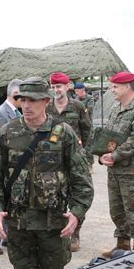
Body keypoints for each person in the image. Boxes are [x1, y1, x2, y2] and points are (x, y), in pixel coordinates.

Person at [0, 77, 94, 269]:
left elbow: (82, 179)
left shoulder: (63, 134)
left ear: (46, 101)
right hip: (19, 225)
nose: (26, 105)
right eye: (22, 99)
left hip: (53, 225)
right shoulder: (7, 133)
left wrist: (77, 213)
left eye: (32, 100)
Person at [99, 71, 134, 258]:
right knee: (117, 210)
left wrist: (114, 155)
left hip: (132, 171)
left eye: (115, 86)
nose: (112, 90)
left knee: (133, 210)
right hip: (114, 169)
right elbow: (109, 138)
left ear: (127, 87)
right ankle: (122, 246)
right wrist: (102, 155)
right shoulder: (116, 109)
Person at [46, 72, 92, 252]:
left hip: (74, 160)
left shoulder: (78, 106)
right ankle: (58, 232)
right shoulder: (47, 107)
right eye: (54, 87)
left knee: (77, 196)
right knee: (54, 195)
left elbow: (87, 132)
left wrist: (86, 157)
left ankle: (75, 234)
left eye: (59, 86)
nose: (56, 90)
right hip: (52, 161)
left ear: (67, 87)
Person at [0, 78, 23, 254]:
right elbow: (2, 139)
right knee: (1, 204)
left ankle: (5, 237)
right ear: (14, 95)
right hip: (5, 165)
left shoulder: (16, 112)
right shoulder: (1, 113)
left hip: (16, 165)